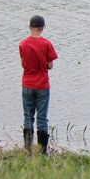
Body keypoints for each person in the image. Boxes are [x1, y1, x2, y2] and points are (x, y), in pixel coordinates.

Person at [19, 15, 58, 155]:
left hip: (27, 84)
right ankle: (42, 152)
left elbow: (23, 64)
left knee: (28, 117)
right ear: (42, 28)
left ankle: (28, 150)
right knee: (42, 118)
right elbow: (50, 65)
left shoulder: (23, 44)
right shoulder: (47, 44)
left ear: (30, 27)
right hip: (42, 85)